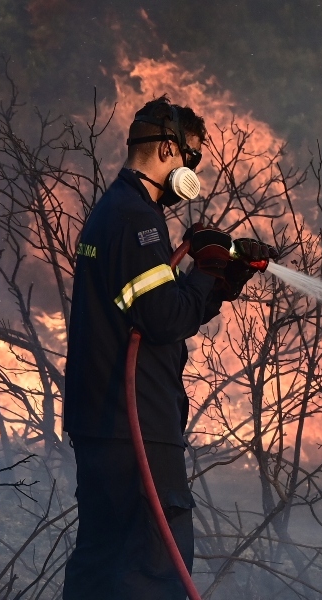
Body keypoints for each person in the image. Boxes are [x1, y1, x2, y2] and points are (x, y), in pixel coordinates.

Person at [61, 95, 277, 598]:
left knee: (101, 560)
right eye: (192, 157)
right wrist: (205, 269)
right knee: (153, 566)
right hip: (136, 419)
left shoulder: (114, 209)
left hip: (102, 422)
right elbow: (162, 319)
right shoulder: (138, 219)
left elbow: (161, 311)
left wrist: (227, 277)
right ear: (166, 148)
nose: (193, 170)